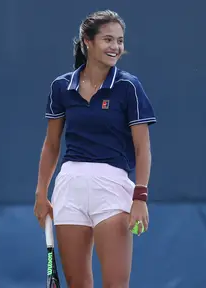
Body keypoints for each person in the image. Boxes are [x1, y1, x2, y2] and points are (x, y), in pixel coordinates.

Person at [34, 9, 157, 288]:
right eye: (108, 39)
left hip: (112, 189)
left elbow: (142, 147)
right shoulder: (61, 87)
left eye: (120, 41)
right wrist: (42, 192)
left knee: (115, 284)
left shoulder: (129, 86)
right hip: (69, 188)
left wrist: (140, 196)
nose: (116, 47)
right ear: (87, 41)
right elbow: (52, 144)